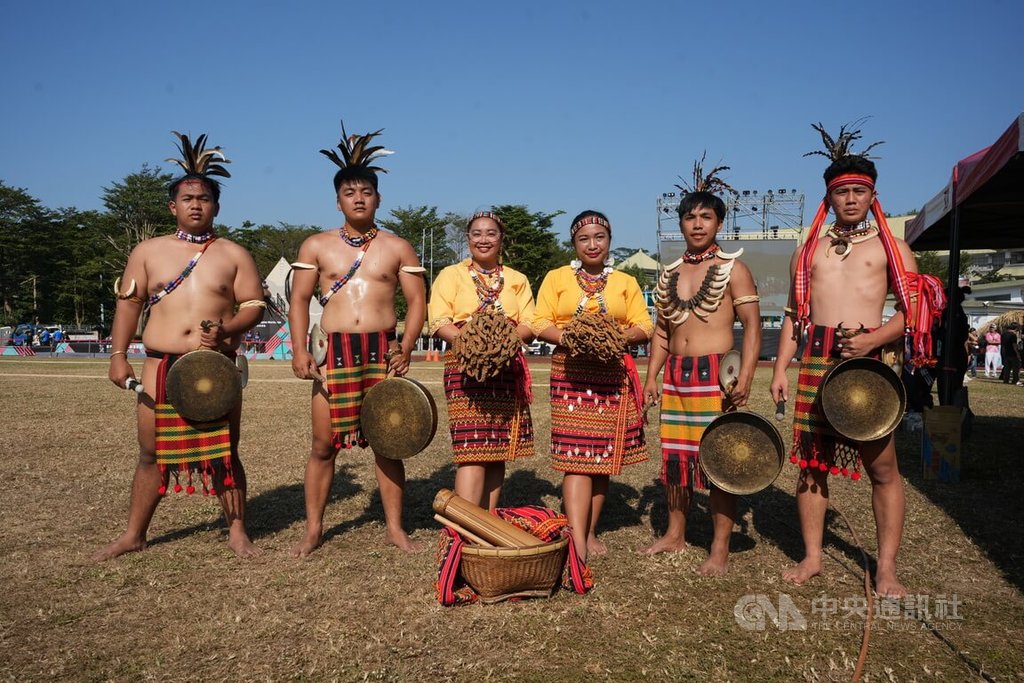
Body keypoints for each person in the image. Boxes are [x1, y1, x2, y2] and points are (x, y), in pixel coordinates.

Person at [770, 122, 944, 598]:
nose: (850, 199)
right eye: (841, 191)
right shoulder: (809, 252)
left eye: (858, 191)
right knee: (810, 465)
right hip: (816, 358)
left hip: (869, 361)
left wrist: (872, 341)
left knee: (882, 467)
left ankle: (885, 568)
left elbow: (916, 313)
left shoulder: (893, 248)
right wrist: (783, 366)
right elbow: (793, 314)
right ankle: (812, 557)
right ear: (829, 197)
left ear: (872, 196)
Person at [94, 132, 265, 561]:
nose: (195, 204)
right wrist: (118, 357)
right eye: (187, 198)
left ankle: (238, 530)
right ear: (173, 206)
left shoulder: (233, 253)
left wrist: (227, 329)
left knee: (226, 449)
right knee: (150, 451)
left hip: (216, 363)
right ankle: (135, 533)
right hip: (159, 364)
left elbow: (254, 306)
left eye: (204, 198)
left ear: (216, 206)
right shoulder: (148, 252)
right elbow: (129, 305)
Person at [289, 122, 426, 556]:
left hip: (383, 351)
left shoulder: (398, 247)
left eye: (366, 191)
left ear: (378, 197)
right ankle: (313, 529)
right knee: (322, 444)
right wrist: (297, 349)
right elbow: (298, 302)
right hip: (335, 353)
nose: (359, 198)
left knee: (389, 443)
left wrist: (405, 347)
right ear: (338, 200)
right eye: (350, 193)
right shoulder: (316, 246)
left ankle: (394, 528)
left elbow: (417, 303)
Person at [640, 159, 761, 575]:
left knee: (717, 462)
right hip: (676, 375)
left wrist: (745, 377)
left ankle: (719, 548)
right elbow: (661, 332)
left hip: (716, 377)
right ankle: (675, 534)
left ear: (719, 222)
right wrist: (651, 376)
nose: (696, 224)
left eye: (705, 216)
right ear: (681, 224)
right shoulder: (670, 274)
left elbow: (753, 328)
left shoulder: (734, 269)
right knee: (675, 462)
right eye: (689, 217)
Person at [532, 210, 653, 562]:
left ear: (609, 240)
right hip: (570, 372)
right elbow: (539, 321)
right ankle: (576, 537)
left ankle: (589, 529)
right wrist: (575, 336)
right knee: (576, 457)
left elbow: (643, 325)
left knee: (601, 456)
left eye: (599, 237)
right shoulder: (557, 278)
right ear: (574, 243)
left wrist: (613, 336)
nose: (592, 244)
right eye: (584, 238)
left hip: (610, 375)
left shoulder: (626, 283)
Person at [428, 210, 536, 510]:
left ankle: (487, 522)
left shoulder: (517, 279)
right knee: (471, 448)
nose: (483, 239)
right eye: (477, 233)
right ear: (467, 239)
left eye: (491, 233)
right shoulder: (451, 274)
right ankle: (464, 526)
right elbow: (438, 320)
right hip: (465, 366)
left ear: (501, 239)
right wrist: (473, 344)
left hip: (506, 366)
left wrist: (504, 342)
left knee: (497, 447)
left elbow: (530, 321)